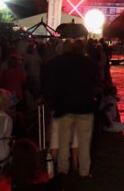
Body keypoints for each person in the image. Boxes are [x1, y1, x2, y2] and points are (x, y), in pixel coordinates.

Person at [41, 39, 100, 178]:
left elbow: (50, 84)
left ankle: (63, 169)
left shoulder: (57, 63)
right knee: (84, 141)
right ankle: (84, 171)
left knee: (63, 140)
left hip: (64, 107)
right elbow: (95, 83)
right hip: (84, 107)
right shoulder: (89, 64)